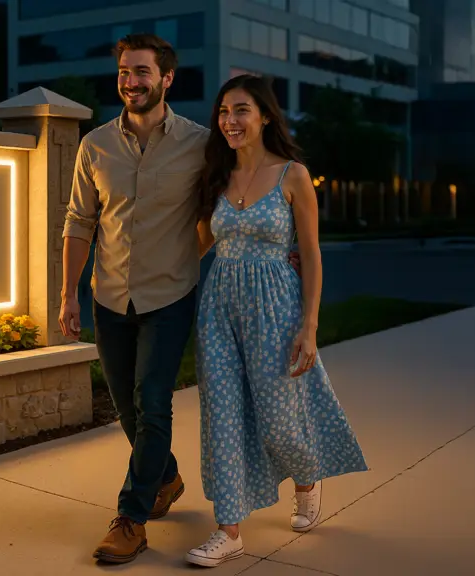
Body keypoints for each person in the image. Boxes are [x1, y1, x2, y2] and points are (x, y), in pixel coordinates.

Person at [186, 74, 369, 568]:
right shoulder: (216, 175)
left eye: (240, 110)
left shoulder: (293, 174)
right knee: (221, 417)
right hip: (219, 310)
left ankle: (307, 480)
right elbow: (198, 246)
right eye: (223, 112)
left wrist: (309, 326)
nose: (229, 121)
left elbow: (310, 253)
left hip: (276, 309)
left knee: (280, 423)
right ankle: (228, 530)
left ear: (265, 116)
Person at [58, 33, 209, 564]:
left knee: (152, 402)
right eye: (124, 71)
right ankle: (165, 477)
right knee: (126, 407)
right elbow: (80, 221)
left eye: (142, 72)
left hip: (169, 297)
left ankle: (131, 518)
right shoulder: (95, 145)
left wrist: (185, 256)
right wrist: (69, 295)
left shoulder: (199, 144)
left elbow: (218, 213)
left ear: (167, 78)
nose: (131, 82)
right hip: (109, 297)